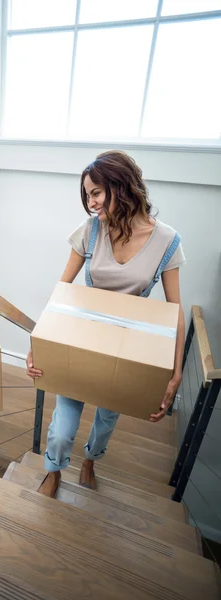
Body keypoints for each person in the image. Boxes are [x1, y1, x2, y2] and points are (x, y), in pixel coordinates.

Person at [26, 150, 186, 498]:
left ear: (121, 186)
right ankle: (54, 470)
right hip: (80, 339)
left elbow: (176, 311)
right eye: (87, 195)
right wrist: (35, 345)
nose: (91, 202)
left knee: (105, 422)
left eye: (96, 192)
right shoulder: (91, 229)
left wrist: (175, 373)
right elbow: (62, 290)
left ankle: (90, 461)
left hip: (126, 348)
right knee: (62, 429)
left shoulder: (167, 241)